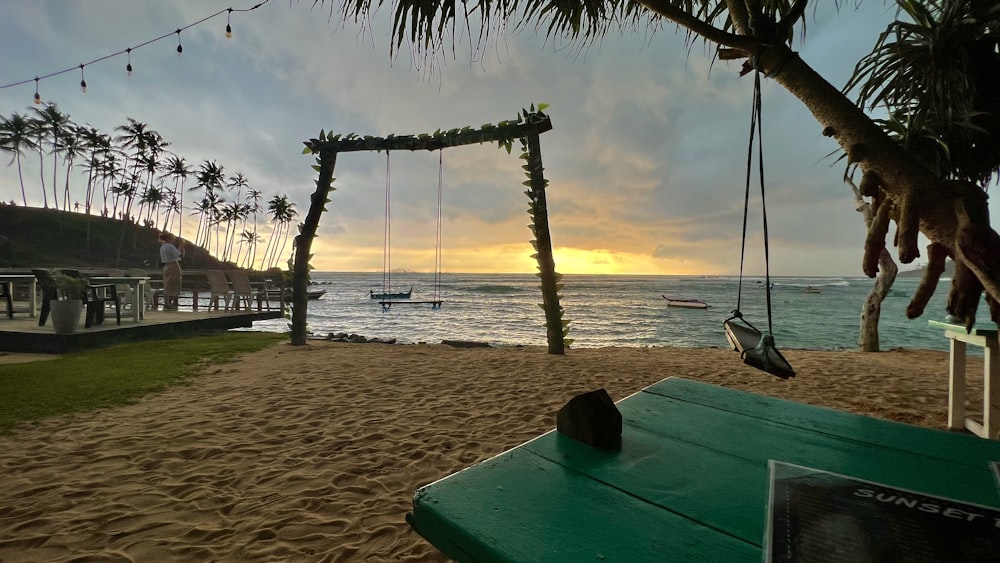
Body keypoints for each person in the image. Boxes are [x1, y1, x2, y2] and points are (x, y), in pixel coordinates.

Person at [159, 232, 185, 310]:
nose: (174, 239)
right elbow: (178, 254)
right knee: (176, 283)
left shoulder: (162, 247)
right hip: (173, 265)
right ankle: (173, 303)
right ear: (168, 238)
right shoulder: (170, 246)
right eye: (172, 238)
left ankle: (167, 303)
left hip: (166, 266)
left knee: (167, 284)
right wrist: (181, 246)